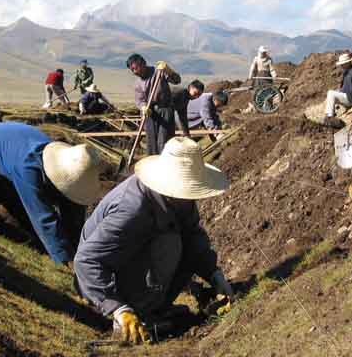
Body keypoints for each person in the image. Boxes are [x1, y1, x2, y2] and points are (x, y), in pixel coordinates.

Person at [74, 137, 235, 344]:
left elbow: (193, 234)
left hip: (132, 259)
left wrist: (214, 274)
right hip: (102, 282)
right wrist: (118, 309)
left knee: (181, 244)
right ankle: (139, 313)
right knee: (169, 245)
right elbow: (86, 261)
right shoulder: (132, 209)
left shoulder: (178, 199)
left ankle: (154, 305)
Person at [0, 122, 103, 264]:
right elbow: (43, 217)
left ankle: (43, 246)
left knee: (33, 211)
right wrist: (65, 260)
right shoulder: (29, 167)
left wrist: (79, 252)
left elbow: (74, 213)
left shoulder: (70, 162)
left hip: (4, 163)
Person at [127, 53, 181, 155]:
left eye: (136, 68)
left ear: (143, 63)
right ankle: (153, 164)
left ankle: (166, 164)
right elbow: (140, 100)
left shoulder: (159, 72)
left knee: (164, 141)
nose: (135, 71)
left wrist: (168, 70)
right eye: (132, 70)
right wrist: (143, 107)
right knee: (151, 143)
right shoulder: (138, 84)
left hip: (165, 110)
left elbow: (177, 80)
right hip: (150, 113)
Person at [322, 53, 352, 129]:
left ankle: (330, 116)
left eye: (343, 64)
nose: (341, 66)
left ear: (347, 63)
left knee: (330, 93)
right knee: (333, 93)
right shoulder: (348, 72)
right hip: (349, 96)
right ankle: (330, 115)